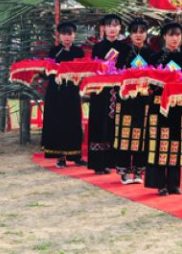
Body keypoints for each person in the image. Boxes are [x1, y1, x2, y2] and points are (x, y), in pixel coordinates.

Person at [145, 22, 182, 196]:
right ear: (164, 36)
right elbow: (149, 83)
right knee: (159, 142)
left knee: (177, 143)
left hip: (179, 106)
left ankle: (174, 183)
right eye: (171, 35)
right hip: (158, 105)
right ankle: (159, 183)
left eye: (178, 35)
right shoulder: (154, 57)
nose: (175, 39)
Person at [113, 18, 154, 185]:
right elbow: (115, 72)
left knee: (142, 134)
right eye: (135, 31)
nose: (138, 35)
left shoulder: (151, 53)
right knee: (125, 133)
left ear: (146, 34)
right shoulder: (123, 51)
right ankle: (123, 170)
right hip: (126, 99)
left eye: (142, 32)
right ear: (130, 34)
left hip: (144, 99)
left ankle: (138, 169)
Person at [41, 22, 86, 168]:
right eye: (64, 34)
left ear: (74, 35)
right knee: (58, 122)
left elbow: (83, 71)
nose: (67, 37)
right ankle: (60, 157)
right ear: (59, 36)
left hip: (72, 90)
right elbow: (47, 72)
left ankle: (76, 155)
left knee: (73, 121)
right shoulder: (54, 51)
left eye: (70, 34)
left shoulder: (79, 52)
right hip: (56, 91)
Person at [89, 14, 127, 174]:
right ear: (103, 28)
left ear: (119, 28)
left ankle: (114, 162)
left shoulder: (125, 47)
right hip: (100, 91)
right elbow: (93, 69)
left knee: (115, 126)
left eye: (115, 25)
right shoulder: (97, 47)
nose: (112, 29)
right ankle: (98, 164)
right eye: (109, 25)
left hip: (118, 92)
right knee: (99, 124)